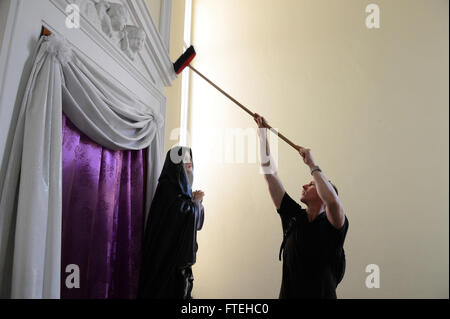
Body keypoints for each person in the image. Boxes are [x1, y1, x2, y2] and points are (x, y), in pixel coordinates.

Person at [254, 114, 349, 299]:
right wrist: (263, 135)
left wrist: (312, 165)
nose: (305, 185)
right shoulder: (293, 217)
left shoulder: (333, 226)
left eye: (311, 185)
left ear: (322, 194)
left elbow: (332, 201)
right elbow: (269, 174)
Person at [138, 146, 205, 299]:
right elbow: (180, 218)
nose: (189, 167)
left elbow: (196, 224)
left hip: (176, 265)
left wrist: (195, 203)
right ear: (176, 166)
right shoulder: (168, 190)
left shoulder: (181, 194)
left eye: (190, 163)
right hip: (164, 261)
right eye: (185, 163)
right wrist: (196, 203)